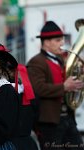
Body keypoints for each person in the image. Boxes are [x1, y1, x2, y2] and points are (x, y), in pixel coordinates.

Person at [27, 21, 84, 150]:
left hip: (68, 118)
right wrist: (64, 87)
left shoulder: (61, 60)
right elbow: (38, 89)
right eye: (58, 40)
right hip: (49, 123)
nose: (62, 43)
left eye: (62, 40)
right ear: (46, 42)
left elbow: (69, 82)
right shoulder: (36, 61)